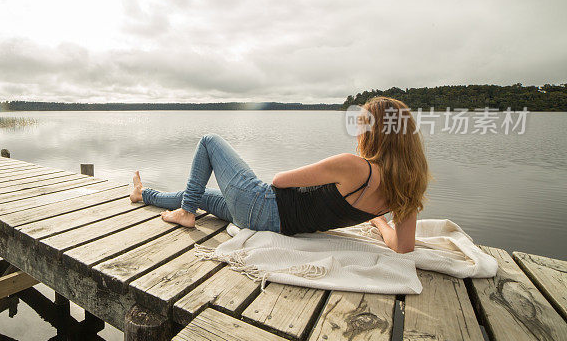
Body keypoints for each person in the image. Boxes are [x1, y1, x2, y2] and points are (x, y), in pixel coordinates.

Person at [129, 96, 430, 254]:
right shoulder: (406, 190)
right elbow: (403, 246)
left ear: (376, 133)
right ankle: (143, 194)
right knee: (202, 196)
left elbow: (279, 181)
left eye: (362, 126)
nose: (358, 135)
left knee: (209, 141)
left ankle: (186, 212)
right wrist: (378, 221)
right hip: (269, 223)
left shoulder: (355, 166)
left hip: (259, 204)